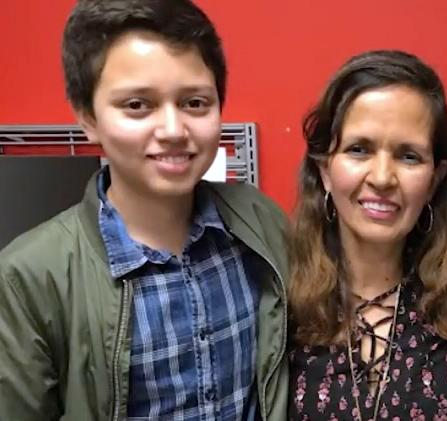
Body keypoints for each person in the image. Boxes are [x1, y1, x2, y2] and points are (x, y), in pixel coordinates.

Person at [0, 1, 288, 419]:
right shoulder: (28, 277)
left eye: (195, 103)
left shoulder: (260, 221)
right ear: (88, 117)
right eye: (137, 105)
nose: (173, 130)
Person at [287, 49, 447, 420]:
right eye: (359, 149)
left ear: (435, 179)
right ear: (324, 170)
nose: (383, 177)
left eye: (408, 156)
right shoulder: (277, 296)